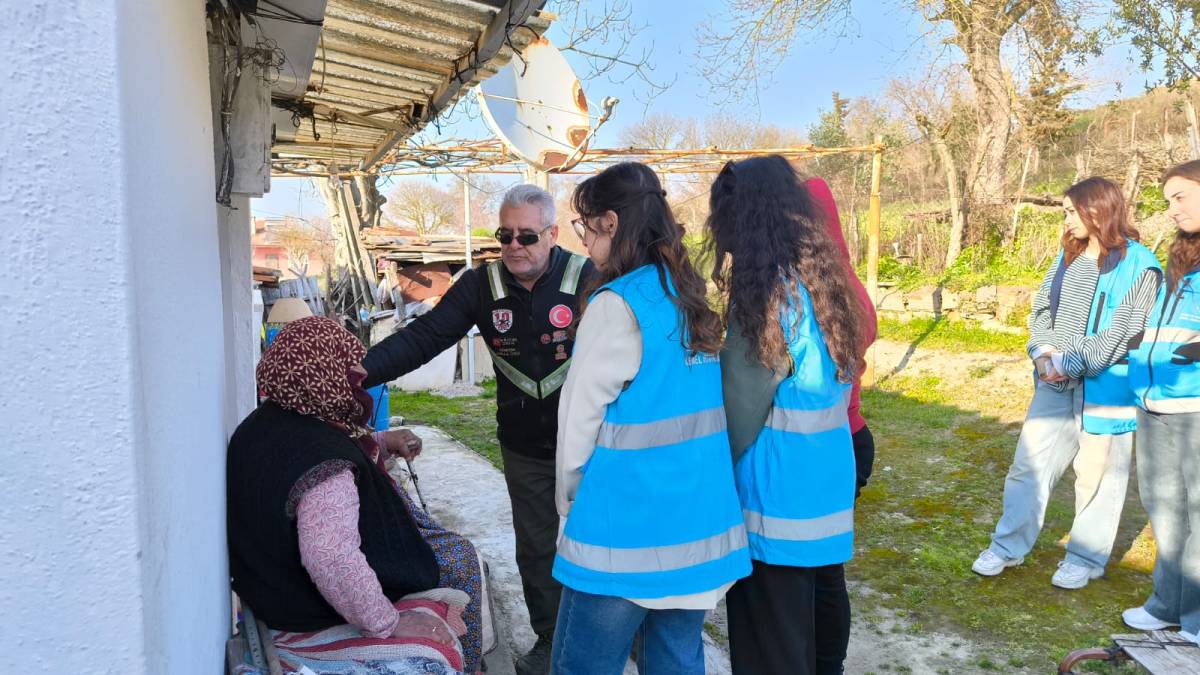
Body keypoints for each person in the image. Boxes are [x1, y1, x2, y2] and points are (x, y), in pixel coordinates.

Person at [362, 184, 594, 675]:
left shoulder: (588, 276)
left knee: (602, 542)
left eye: (527, 236)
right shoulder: (480, 285)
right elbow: (426, 337)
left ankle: (613, 634)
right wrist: (361, 372)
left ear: (552, 234)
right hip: (525, 448)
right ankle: (551, 640)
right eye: (504, 234)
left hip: (595, 446)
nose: (513, 245)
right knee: (535, 547)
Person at [551, 162, 752, 674]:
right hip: (697, 528)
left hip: (625, 533)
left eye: (585, 225)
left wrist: (567, 504)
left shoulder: (616, 304)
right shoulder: (685, 295)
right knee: (676, 660)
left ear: (611, 224)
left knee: (582, 666)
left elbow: (578, 420)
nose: (584, 239)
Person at [227, 316, 485, 673]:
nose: (359, 383)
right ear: (324, 377)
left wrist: (381, 442)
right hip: (300, 605)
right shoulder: (321, 460)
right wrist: (387, 623)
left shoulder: (269, 421)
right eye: (350, 374)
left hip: (271, 583)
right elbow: (330, 556)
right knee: (459, 559)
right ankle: (469, 666)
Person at [705, 156, 865, 675]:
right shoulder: (826, 282)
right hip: (825, 488)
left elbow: (739, 408)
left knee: (770, 646)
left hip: (774, 503)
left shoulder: (766, 296)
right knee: (821, 622)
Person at [971, 176, 1162, 589]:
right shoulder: (1068, 257)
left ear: (1099, 210)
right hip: (1053, 382)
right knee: (1029, 466)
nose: (1067, 220)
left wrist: (1070, 362)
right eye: (1064, 212)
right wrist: (1040, 353)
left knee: (1097, 476)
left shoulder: (1141, 265)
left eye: (1071, 211)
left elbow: (1125, 333)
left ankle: (1085, 558)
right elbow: (1041, 309)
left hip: (1106, 388)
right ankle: (1007, 547)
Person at [1122, 160, 1200, 644]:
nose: (1172, 210)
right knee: (1164, 508)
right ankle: (1168, 605)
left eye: (1181, 197)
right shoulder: (1179, 256)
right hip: (1153, 403)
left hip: (1195, 406)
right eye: (1168, 200)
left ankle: (1195, 617)